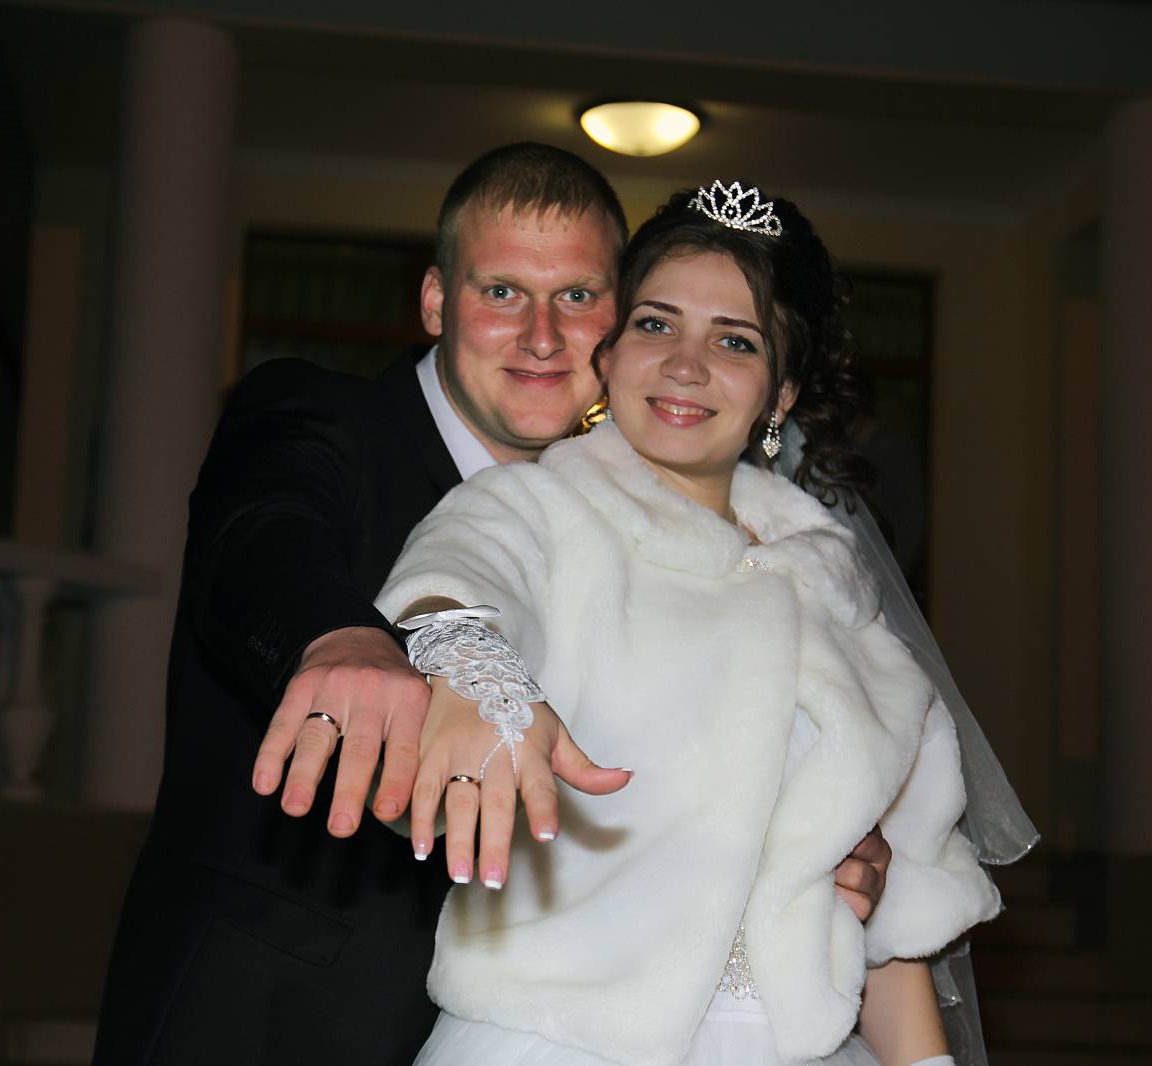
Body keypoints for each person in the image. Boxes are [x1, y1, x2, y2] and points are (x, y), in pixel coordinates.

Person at [93, 144, 896, 1066]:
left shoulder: (656, 523)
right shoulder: (326, 418)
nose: (542, 337)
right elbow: (262, 535)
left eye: (578, 296)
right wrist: (342, 638)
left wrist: (820, 832)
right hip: (274, 1011)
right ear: (437, 300)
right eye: (503, 292)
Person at [377, 181, 1004, 1065]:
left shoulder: (842, 599)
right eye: (656, 324)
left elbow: (895, 925)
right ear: (610, 353)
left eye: (735, 341)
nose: (685, 365)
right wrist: (475, 672)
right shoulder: (537, 510)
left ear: (780, 392)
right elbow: (455, 578)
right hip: (558, 1041)